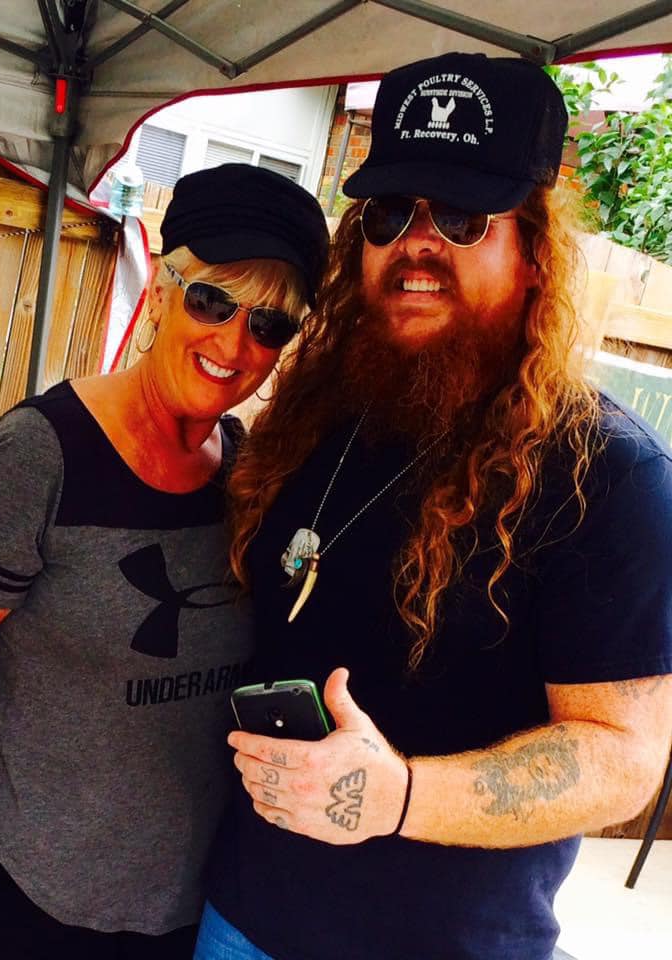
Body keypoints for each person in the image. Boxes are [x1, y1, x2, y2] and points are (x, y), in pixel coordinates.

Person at [193, 54, 672, 960]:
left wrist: (399, 796)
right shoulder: (319, 413)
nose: (416, 244)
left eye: (460, 216)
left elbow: (621, 758)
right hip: (240, 916)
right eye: (389, 214)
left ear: (533, 254)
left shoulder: (607, 473)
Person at [0, 162, 329, 959]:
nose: (233, 342)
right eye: (212, 301)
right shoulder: (41, 454)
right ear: (161, 288)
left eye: (269, 324)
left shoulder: (247, 475)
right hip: (24, 895)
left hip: (182, 910)